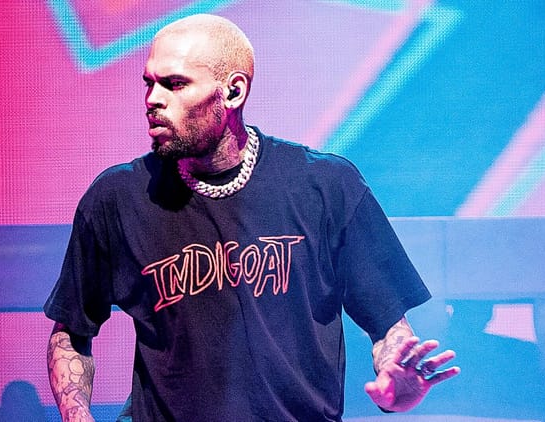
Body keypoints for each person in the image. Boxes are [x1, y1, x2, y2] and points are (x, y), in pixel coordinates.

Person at [44, 13, 459, 422]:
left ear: (233, 91)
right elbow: (71, 334)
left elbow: (388, 326)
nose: (153, 99)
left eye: (175, 84)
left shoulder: (326, 187)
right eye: (149, 83)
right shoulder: (118, 199)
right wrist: (77, 416)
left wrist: (397, 381)